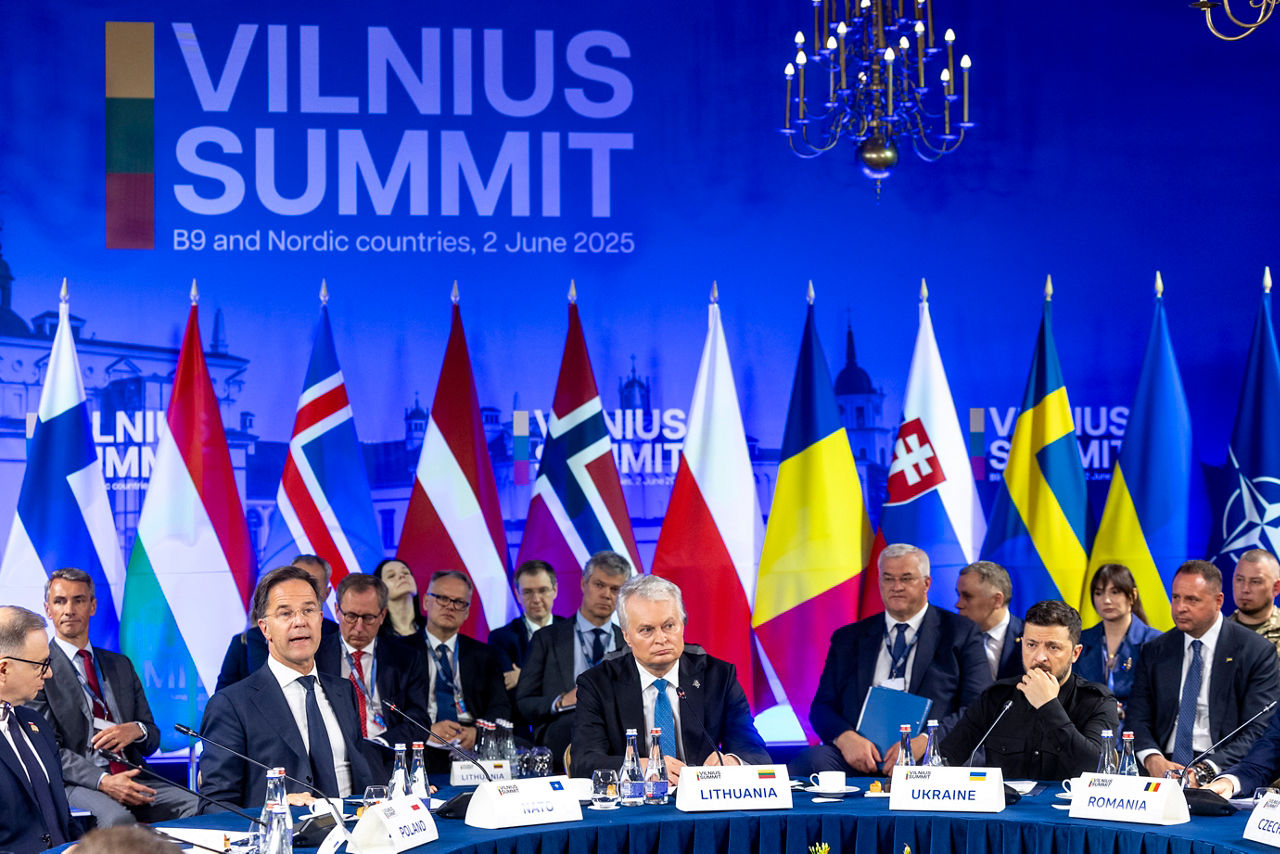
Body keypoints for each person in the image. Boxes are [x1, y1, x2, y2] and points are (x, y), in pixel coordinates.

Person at [800, 543, 992, 775]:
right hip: (861, 757)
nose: (896, 587)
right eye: (888, 579)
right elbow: (821, 707)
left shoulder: (961, 632)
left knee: (955, 764)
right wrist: (845, 738)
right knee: (812, 761)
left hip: (930, 754)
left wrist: (929, 741)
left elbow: (978, 707)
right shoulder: (848, 638)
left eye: (906, 579)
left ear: (926, 584)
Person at [32, 569, 200, 828]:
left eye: (78, 600)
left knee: (199, 806)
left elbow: (152, 736)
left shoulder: (120, 664)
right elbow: (48, 750)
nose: (69, 609)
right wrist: (103, 781)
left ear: (93, 606)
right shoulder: (40, 669)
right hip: (78, 782)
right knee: (118, 820)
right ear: (47, 609)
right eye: (60, 601)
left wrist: (137, 730)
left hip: (133, 775)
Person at [199, 566, 375, 808]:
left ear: (321, 619)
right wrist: (274, 808)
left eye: (309, 610)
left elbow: (361, 774)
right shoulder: (231, 705)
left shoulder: (343, 691)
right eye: (285, 614)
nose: (300, 622)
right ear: (264, 628)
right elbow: (214, 805)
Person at [571, 575, 770, 782]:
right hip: (635, 805)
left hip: (702, 803)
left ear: (682, 625)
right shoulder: (597, 684)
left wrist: (732, 762)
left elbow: (754, 752)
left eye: (669, 626)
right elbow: (584, 761)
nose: (661, 639)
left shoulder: (718, 677)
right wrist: (639, 767)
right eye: (647, 630)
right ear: (627, 636)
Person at [1126, 560, 1280, 784]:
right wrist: (1152, 759)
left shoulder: (1255, 651)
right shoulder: (1155, 650)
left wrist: (1205, 770)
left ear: (1218, 601)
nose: (1180, 608)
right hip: (1161, 766)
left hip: (1223, 767)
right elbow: (1137, 717)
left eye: (1192, 600)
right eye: (1176, 597)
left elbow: (1257, 729)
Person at [940, 600, 1119, 779]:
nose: (1040, 657)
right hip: (1007, 806)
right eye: (1031, 645)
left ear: (1075, 653)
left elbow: (1098, 769)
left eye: (1053, 647)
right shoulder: (997, 697)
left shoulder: (1097, 702)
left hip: (1067, 806)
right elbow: (945, 759)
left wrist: (1049, 706)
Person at [516, 552, 627, 770]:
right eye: (599, 585)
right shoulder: (547, 638)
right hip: (563, 732)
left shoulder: (630, 642)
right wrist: (560, 701)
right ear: (584, 583)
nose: (606, 594)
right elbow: (524, 702)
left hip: (617, 731)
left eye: (615, 589)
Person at [333, 573, 432, 776]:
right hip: (335, 759)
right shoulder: (316, 656)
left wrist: (380, 744)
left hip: (385, 757)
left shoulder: (406, 658)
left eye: (368, 618)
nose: (359, 627)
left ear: (382, 616)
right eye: (351, 616)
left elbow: (418, 720)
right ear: (337, 611)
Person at [0, 605, 77, 853]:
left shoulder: (36, 724)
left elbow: (61, 816)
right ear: (3, 669)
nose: (49, 673)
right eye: (40, 664)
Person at [418, 571, 511, 772]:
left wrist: (478, 733)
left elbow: (500, 706)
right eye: (442, 598)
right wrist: (425, 731)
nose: (450, 606)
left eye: (459, 602)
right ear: (426, 602)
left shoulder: (485, 654)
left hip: (471, 742)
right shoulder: (401, 652)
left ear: (467, 612)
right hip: (424, 741)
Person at [215, 554, 342, 689]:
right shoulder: (247, 640)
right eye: (295, 581)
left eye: (311, 584)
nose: (301, 589)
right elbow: (222, 699)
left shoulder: (337, 635)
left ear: (326, 593)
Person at [1076, 564, 1161, 715]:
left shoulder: (1155, 642)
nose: (1106, 600)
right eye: (1099, 593)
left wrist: (1121, 712)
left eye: (1115, 592)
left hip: (1137, 728)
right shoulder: (1080, 640)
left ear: (1133, 595)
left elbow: (1159, 698)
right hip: (1089, 728)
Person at [489, 560, 569, 689]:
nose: (536, 599)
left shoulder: (573, 631)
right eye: (527, 592)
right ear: (518, 595)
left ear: (555, 590)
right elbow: (509, 687)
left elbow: (578, 682)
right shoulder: (500, 638)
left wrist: (522, 677)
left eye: (542, 590)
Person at [955, 561, 1023, 680]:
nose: (958, 604)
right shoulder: (950, 637)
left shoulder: (1029, 638)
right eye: (958, 595)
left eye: (967, 596)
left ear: (997, 600)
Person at [1227, 549, 1280, 659]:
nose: (1245, 589)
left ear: (1276, 587)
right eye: (1240, 580)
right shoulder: (1218, 632)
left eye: (1255, 581)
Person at [374, 559, 425, 640]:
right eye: (391, 575)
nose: (402, 576)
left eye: (406, 573)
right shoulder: (373, 637)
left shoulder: (434, 629)